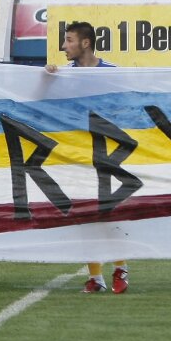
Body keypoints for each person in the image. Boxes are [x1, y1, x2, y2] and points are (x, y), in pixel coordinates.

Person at [44, 21, 123, 292]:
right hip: (78, 158)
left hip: (109, 156)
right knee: (85, 216)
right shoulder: (64, 75)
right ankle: (96, 277)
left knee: (111, 215)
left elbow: (126, 109)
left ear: (85, 43)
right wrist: (48, 79)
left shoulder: (112, 73)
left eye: (69, 40)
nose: (63, 46)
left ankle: (121, 269)